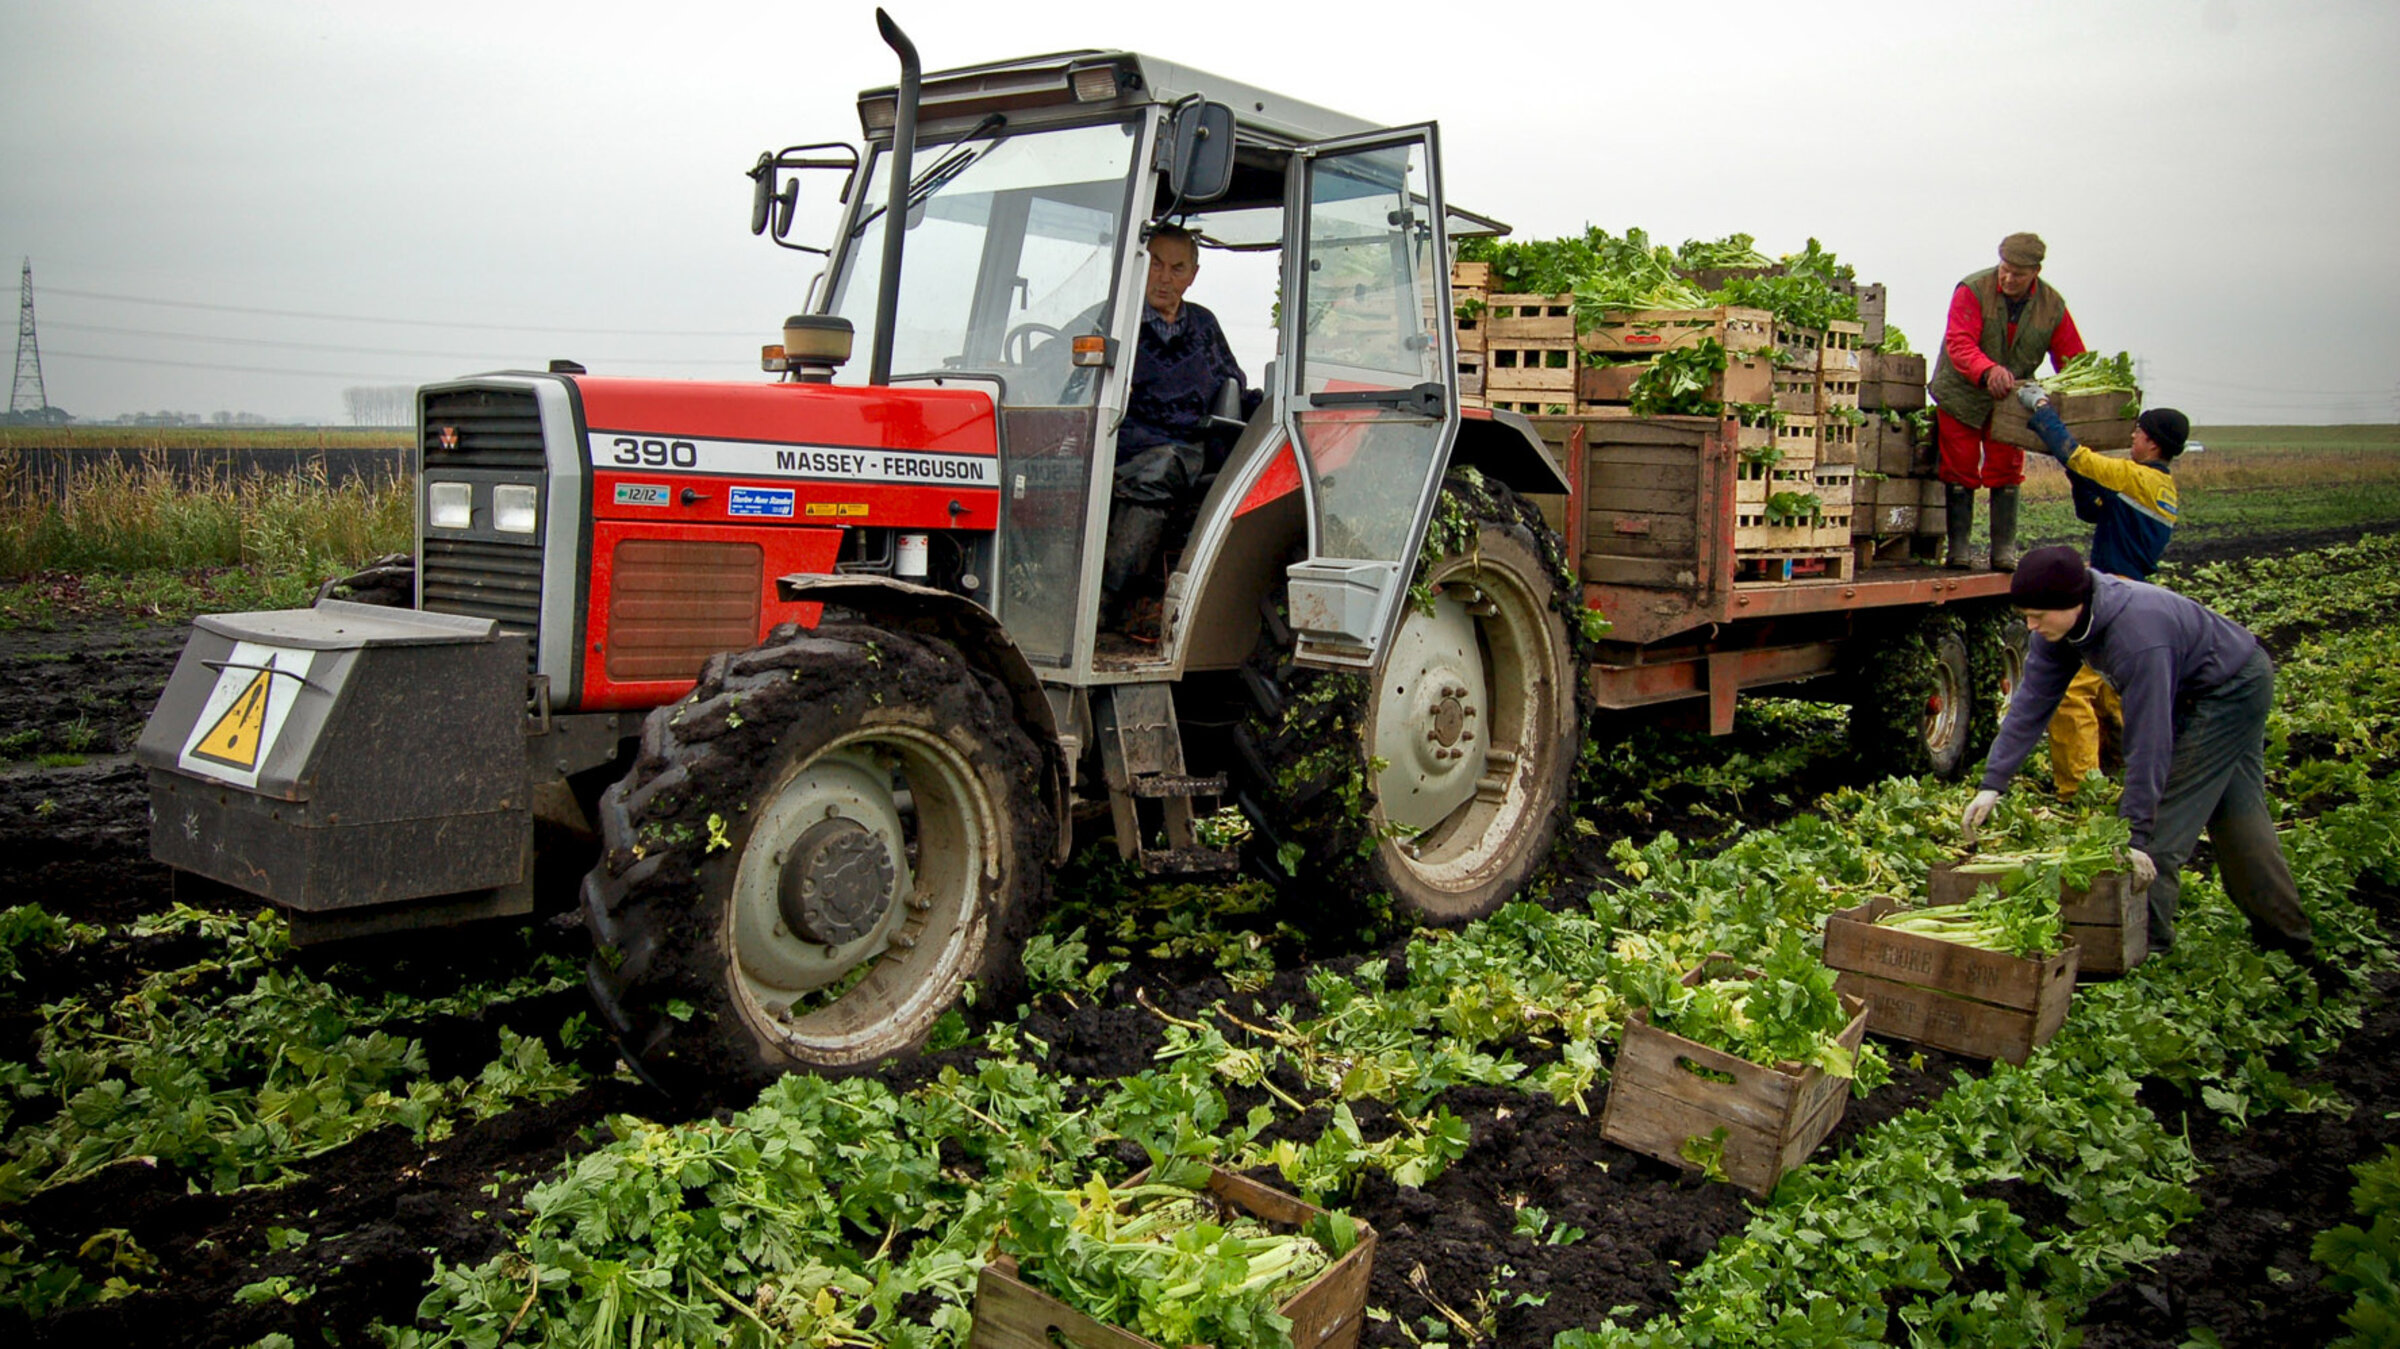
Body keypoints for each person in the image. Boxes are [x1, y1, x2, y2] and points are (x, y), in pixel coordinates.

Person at [1962, 545, 2313, 958]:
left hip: (2227, 691)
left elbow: (2148, 741)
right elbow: (2031, 703)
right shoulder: (2059, 628)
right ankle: (2289, 941)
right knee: (2237, 815)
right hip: (2214, 682)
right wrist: (1993, 784)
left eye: (2038, 615)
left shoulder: (2137, 638)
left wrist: (2136, 835)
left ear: (2073, 602)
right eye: (2026, 615)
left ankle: (2146, 953)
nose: (2031, 626)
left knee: (2159, 827)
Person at [2015, 386, 2191, 795]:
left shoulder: (2136, 477)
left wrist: (2042, 409)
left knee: (2071, 693)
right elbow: (2092, 511)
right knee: (2114, 692)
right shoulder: (2161, 488)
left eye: (2138, 432)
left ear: (2153, 442)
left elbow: (2076, 456)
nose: (2132, 437)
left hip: (2115, 596)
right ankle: (2125, 771)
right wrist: (2078, 476)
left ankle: (2079, 791)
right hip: (2135, 594)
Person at [1099, 223, 1258, 643]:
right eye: (1155, 264)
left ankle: (1106, 602)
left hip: (1183, 448)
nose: (1164, 278)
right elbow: (1068, 375)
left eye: (1176, 268)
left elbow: (1235, 387)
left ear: (1192, 275)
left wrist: (1270, 408)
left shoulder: (1204, 326)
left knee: (1162, 467)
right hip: (1118, 439)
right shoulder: (1113, 320)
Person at [1927, 233, 2089, 572]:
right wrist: (1987, 370)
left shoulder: (2052, 305)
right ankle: (1958, 549)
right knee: (1958, 465)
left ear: (2036, 272)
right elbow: (1959, 343)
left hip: (2011, 399)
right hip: (1961, 392)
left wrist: (2080, 392)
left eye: (2018, 273)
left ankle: (2002, 551)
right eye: (2005, 269)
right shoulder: (1972, 289)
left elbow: (2072, 358)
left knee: (2006, 467)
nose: (2008, 278)